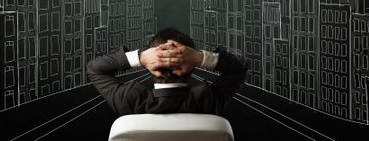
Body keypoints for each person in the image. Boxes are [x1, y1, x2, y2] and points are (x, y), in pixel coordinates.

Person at [86, 27, 248, 116]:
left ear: (151, 66)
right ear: (190, 66)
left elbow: (95, 68)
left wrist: (140, 57)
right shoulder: (207, 100)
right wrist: (199, 57)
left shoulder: (129, 100)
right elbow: (239, 68)